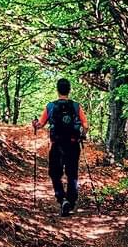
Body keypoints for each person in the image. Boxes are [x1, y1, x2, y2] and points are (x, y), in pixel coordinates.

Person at [33, 78, 88, 215]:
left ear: (57, 90)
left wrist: (34, 124)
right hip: (73, 143)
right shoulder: (76, 106)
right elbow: (85, 126)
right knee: (72, 173)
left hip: (56, 144)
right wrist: (82, 135)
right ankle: (71, 201)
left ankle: (61, 198)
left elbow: (40, 125)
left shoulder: (50, 106)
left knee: (55, 173)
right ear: (69, 90)